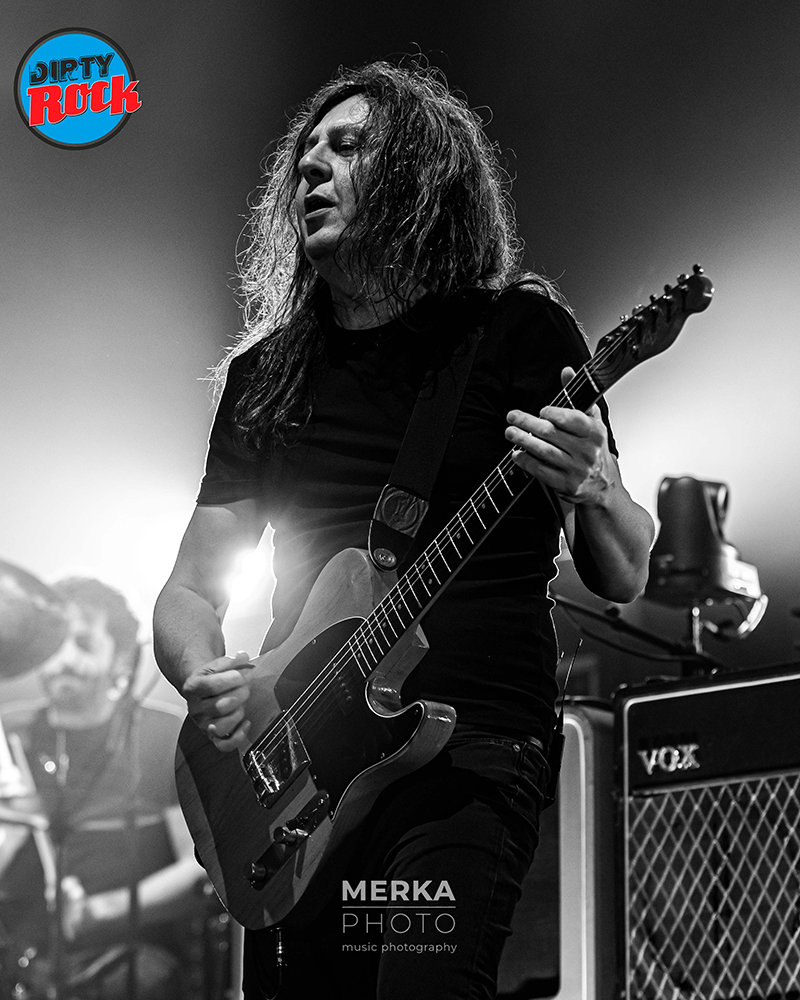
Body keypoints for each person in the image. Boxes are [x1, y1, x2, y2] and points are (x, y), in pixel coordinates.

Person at [153, 60, 654, 999]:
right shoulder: (267, 376)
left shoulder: (517, 334)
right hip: (301, 764)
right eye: (305, 154)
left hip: (464, 752)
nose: (312, 167)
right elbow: (188, 590)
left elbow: (622, 572)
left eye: (346, 148)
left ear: (420, 177)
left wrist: (596, 487)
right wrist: (201, 675)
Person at [0, 577, 205, 999]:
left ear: (121, 657)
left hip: (133, 954)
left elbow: (198, 866)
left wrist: (100, 911)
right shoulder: (11, 734)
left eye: (83, 643)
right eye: (53, 645)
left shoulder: (161, 733)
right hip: (24, 955)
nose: (63, 660)